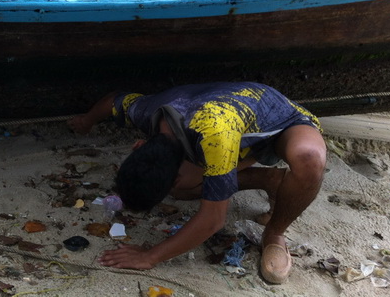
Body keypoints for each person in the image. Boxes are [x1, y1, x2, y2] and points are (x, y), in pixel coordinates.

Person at [68, 82, 326, 285]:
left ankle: (275, 232)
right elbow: (114, 99)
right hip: (230, 127)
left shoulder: (214, 138)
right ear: (139, 146)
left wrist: (150, 256)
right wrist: (86, 120)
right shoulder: (145, 111)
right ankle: (270, 180)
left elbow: (213, 219)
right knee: (186, 188)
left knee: (309, 161)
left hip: (280, 122)